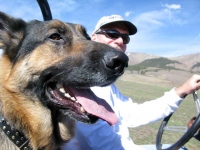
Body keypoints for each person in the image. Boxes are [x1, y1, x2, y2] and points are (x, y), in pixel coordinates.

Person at [62, 15, 200, 150]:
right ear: (94, 37)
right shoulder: (80, 81)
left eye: (125, 38)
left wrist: (180, 92)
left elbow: (134, 114)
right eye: (112, 34)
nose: (120, 41)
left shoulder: (106, 85)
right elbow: (104, 145)